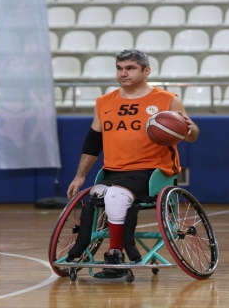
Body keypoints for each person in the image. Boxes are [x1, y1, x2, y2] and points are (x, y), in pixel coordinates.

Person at [65, 49, 199, 273]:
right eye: (119, 68)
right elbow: (93, 142)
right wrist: (79, 176)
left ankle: (115, 252)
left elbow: (191, 136)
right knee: (97, 194)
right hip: (113, 171)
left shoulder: (167, 100)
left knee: (116, 197)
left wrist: (190, 127)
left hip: (152, 171)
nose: (123, 73)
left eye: (130, 68)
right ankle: (80, 248)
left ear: (146, 71)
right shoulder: (104, 102)